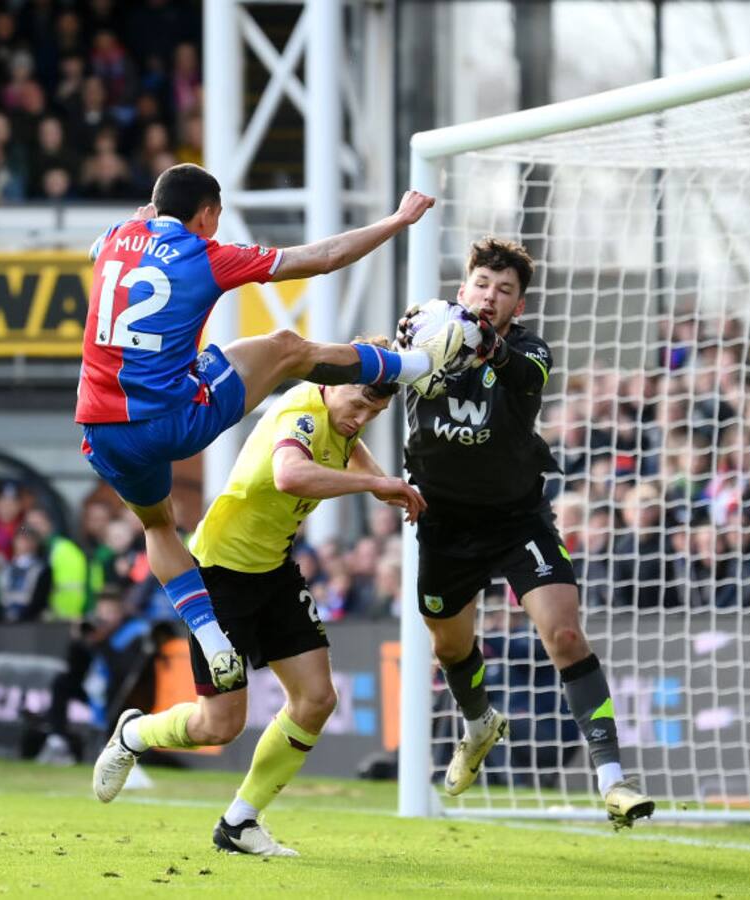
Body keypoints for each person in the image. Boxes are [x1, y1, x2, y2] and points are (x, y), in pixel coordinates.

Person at [76, 163, 465, 699]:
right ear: (208, 214)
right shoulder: (207, 254)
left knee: (158, 528)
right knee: (285, 348)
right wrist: (397, 220)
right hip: (173, 420)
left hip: (101, 429)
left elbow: (100, 250)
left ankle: (212, 637)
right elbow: (324, 258)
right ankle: (412, 367)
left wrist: (138, 222)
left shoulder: (119, 238)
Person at [91, 341, 423, 857]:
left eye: (374, 412)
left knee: (317, 700)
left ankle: (240, 822)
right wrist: (374, 482)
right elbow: (291, 473)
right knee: (217, 724)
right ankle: (135, 733)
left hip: (275, 571)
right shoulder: (300, 412)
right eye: (358, 403)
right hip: (219, 574)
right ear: (330, 381)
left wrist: (376, 478)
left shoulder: (341, 418)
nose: (361, 418)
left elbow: (348, 439)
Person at [398, 237, 655, 828]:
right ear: (462, 291)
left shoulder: (531, 352)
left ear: (519, 308)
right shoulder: (422, 345)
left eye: (505, 291)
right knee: (449, 647)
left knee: (564, 634)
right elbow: (367, 382)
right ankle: (478, 724)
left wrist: (478, 340)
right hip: (443, 523)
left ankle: (613, 780)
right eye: (482, 286)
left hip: (518, 520)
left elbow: (515, 369)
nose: (491, 296)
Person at [36, 589, 152, 766]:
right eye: (101, 612)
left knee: (116, 693)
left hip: (121, 697)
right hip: (94, 691)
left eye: (110, 613)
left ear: (121, 613)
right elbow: (74, 670)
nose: (104, 618)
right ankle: (58, 741)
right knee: (62, 682)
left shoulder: (133, 633)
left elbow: (122, 672)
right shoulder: (95, 632)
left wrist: (101, 642)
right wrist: (77, 641)